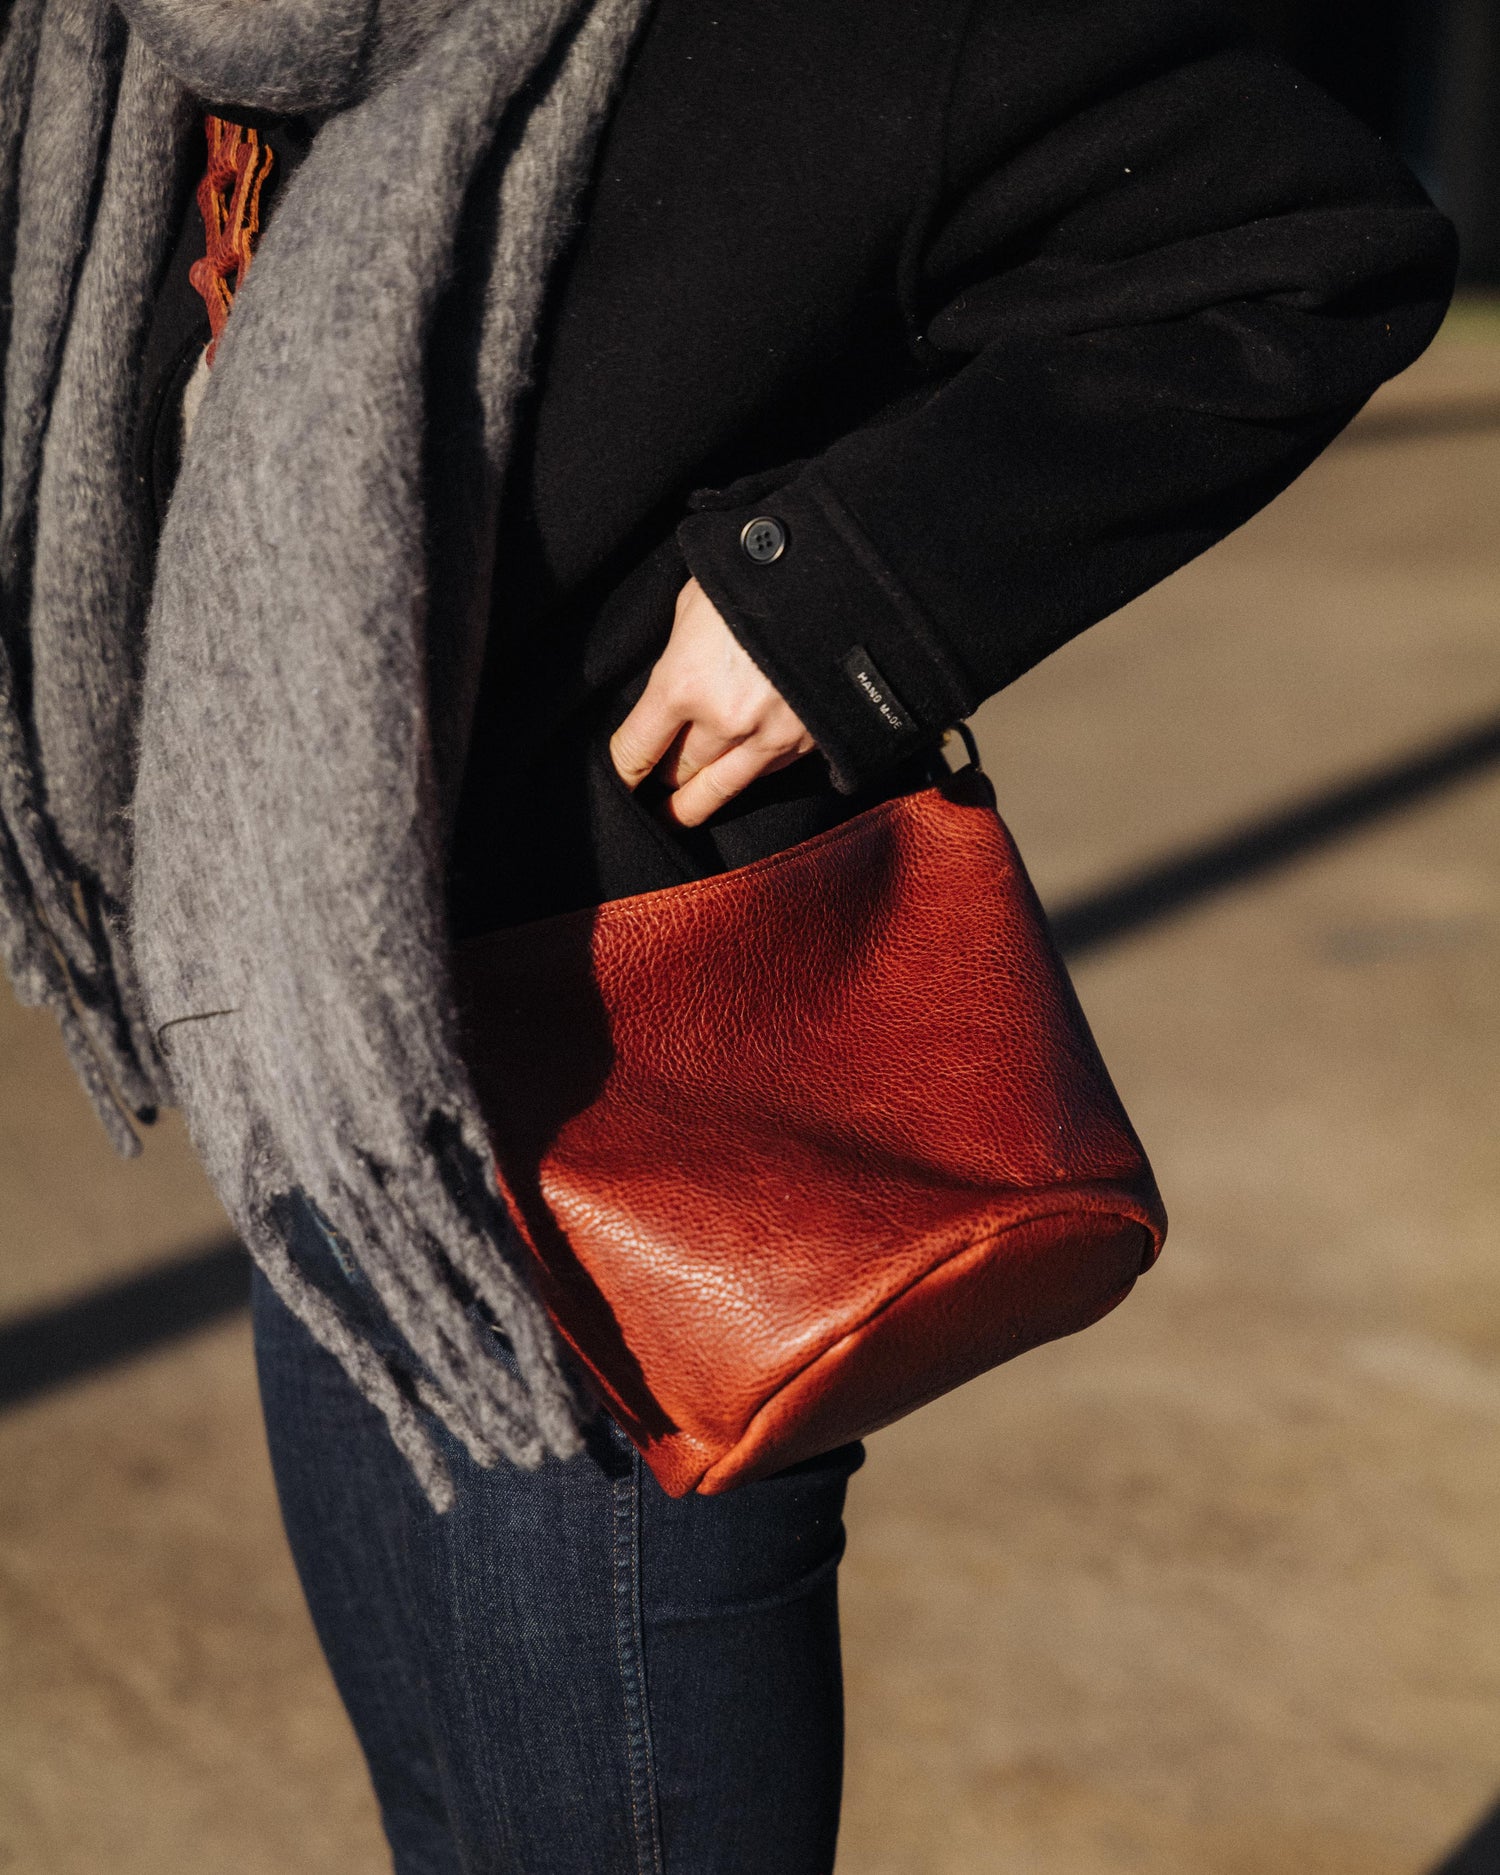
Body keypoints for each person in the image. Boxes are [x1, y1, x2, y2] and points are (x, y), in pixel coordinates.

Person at [0, 0, 1455, 1868]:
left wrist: (839, 594)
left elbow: (1294, 241)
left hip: (636, 1131)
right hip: (335, 1089)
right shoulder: (137, 49)